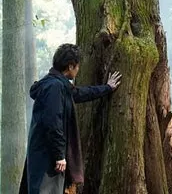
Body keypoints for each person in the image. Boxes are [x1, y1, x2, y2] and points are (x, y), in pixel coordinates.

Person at [20, 43, 121, 194]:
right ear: (70, 66)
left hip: (46, 156)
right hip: (47, 158)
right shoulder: (54, 87)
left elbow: (79, 93)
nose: (78, 70)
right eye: (78, 66)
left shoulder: (57, 84)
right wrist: (59, 155)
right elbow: (53, 123)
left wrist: (107, 88)